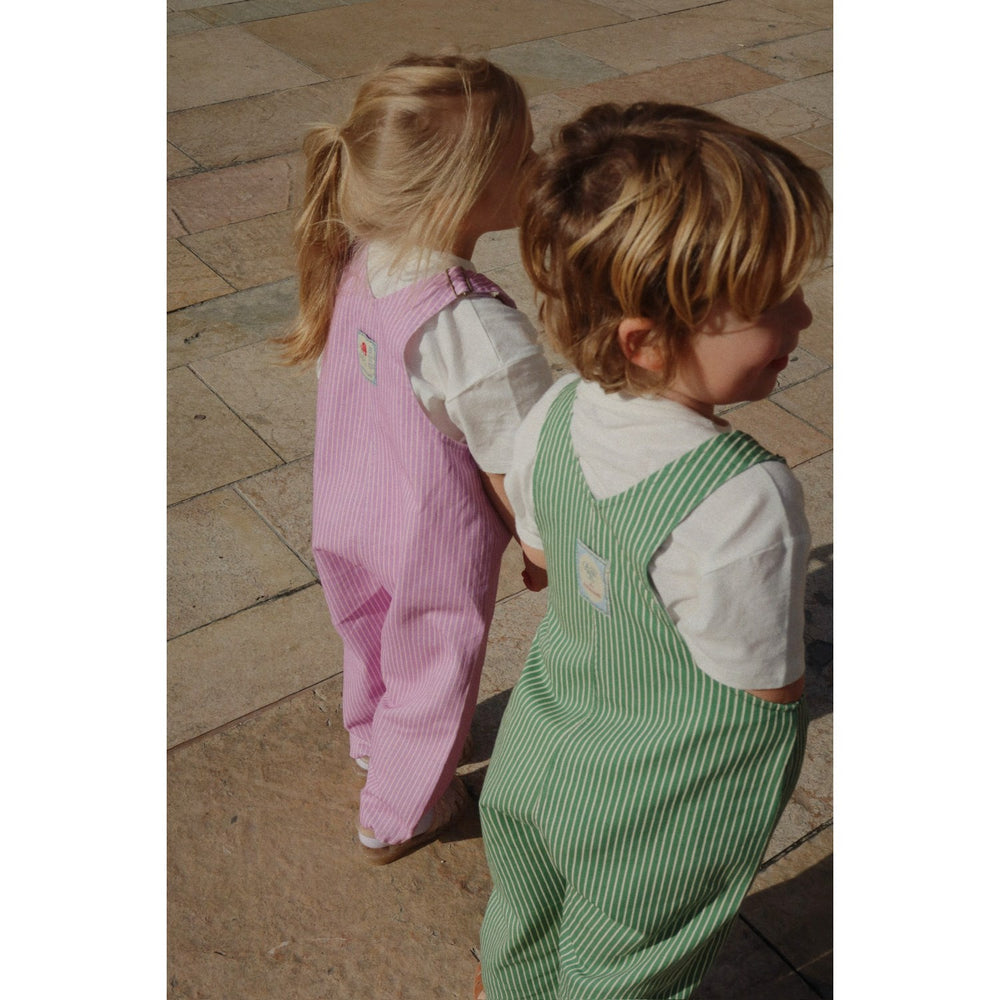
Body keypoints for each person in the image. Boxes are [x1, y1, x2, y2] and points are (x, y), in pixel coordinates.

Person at [476, 102, 832, 998]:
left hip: (546, 742)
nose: (804, 316)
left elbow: (542, 554)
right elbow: (765, 686)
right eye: (771, 303)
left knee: (527, 909)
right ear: (646, 339)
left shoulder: (556, 411)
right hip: (660, 803)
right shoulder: (742, 497)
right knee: (628, 960)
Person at [278, 54, 552, 865]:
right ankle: (403, 809)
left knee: (368, 633)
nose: (539, 164)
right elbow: (520, 460)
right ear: (461, 189)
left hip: (351, 505)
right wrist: (542, 542)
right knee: (434, 665)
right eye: (521, 155)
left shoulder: (361, 258)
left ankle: (372, 738)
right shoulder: (475, 326)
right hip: (429, 537)